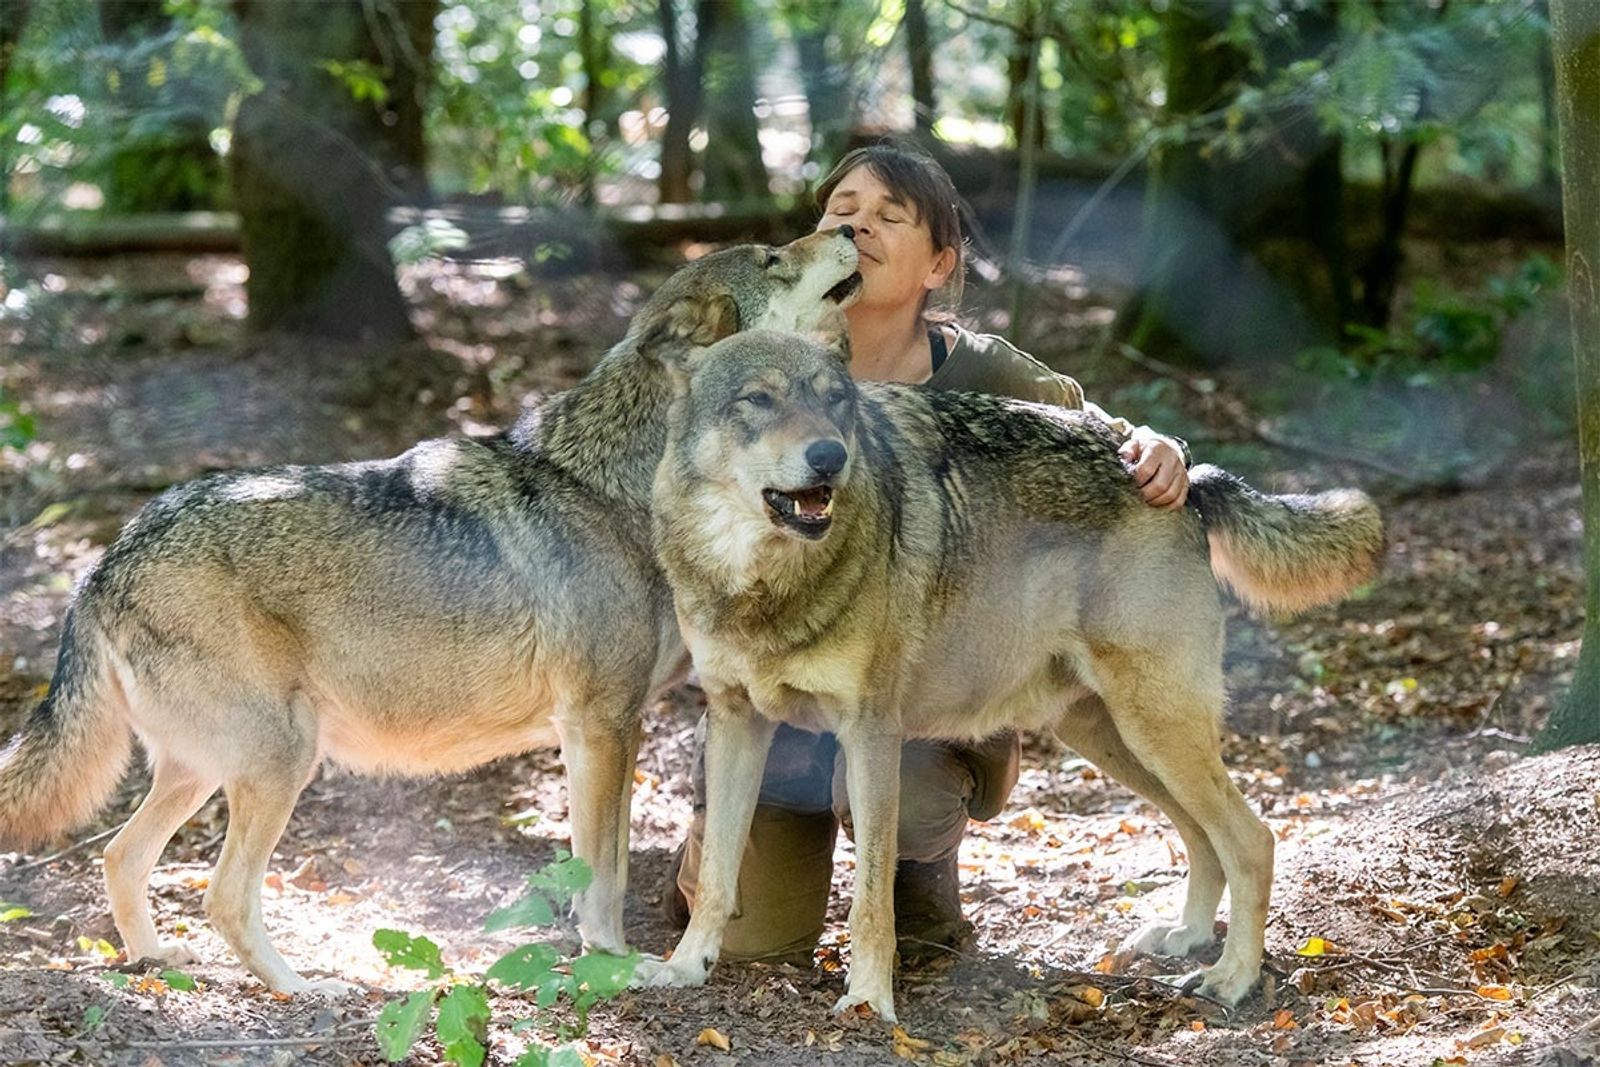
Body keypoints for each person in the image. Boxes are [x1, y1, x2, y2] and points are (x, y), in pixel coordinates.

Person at [666, 142, 1191, 965]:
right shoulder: (758, 359)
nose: (858, 228)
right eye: (842, 211)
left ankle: (919, 872)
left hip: (935, 699)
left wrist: (1160, 446)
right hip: (782, 715)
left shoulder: (985, 374)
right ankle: (714, 854)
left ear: (940, 264)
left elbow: (1101, 442)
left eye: (889, 215)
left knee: (905, 801)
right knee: (750, 948)